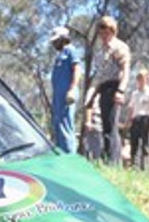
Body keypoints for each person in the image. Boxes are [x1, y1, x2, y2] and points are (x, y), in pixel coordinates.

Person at [85, 16, 131, 165]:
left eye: (106, 32)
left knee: (111, 125)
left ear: (113, 31)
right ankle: (106, 159)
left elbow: (125, 70)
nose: (103, 36)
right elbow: (98, 76)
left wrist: (121, 90)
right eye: (101, 32)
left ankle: (113, 161)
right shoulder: (100, 52)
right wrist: (91, 95)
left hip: (114, 86)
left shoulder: (119, 47)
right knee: (105, 125)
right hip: (102, 88)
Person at [50, 25, 81, 154]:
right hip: (58, 96)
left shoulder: (71, 51)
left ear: (63, 39)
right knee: (58, 124)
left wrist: (72, 89)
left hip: (66, 95)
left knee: (66, 124)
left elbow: (77, 69)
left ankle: (70, 155)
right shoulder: (59, 56)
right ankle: (61, 154)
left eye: (56, 41)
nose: (54, 44)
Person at [127, 69, 149, 170]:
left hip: (146, 119)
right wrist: (129, 121)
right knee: (133, 143)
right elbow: (131, 108)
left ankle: (145, 168)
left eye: (143, 77)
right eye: (139, 77)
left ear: (147, 79)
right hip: (136, 119)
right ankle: (133, 166)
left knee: (145, 144)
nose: (140, 79)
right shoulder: (134, 93)